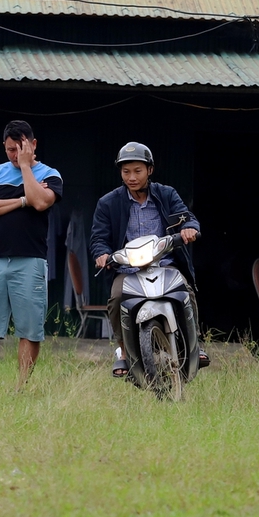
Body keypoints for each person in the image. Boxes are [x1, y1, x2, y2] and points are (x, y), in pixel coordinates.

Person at [91, 141, 203, 379]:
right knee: (117, 298)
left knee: (185, 292)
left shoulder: (166, 194)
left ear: (150, 170)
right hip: (128, 269)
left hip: (165, 264)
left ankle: (195, 343)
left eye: (137, 171)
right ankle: (122, 349)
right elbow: (99, 238)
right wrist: (101, 254)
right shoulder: (107, 203)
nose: (132, 177)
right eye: (126, 171)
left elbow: (188, 218)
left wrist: (189, 229)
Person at [0, 119, 62, 390]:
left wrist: (25, 167)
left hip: (31, 261)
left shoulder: (50, 174)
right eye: (10, 150)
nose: (14, 155)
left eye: (20, 149)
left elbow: (40, 201)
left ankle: (21, 387)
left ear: (33, 145)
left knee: (30, 329)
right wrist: (20, 201)